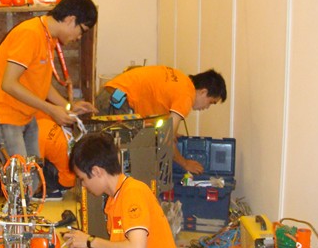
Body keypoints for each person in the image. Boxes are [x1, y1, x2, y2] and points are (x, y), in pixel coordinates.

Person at [63, 132, 190, 248]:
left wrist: (90, 240)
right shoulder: (114, 200)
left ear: (97, 171)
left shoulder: (133, 193)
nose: (83, 185)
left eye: (82, 179)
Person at [0, 0, 98, 162]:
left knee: (35, 172)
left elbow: (41, 83)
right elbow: (9, 84)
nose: (79, 37)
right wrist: (50, 109)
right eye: (81, 31)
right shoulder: (30, 34)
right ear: (70, 19)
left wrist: (68, 106)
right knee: (20, 175)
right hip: (4, 115)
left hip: (25, 115)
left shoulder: (48, 37)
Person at [96, 65, 227, 174]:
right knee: (121, 162)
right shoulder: (187, 95)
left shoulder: (181, 80)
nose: (206, 107)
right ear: (203, 92)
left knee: (114, 157)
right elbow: (166, 141)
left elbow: (160, 121)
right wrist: (185, 163)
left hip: (111, 95)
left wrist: (169, 132)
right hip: (117, 102)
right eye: (211, 102)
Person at [35, 111, 77, 201]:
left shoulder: (36, 136)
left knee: (35, 161)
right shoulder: (44, 121)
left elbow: (37, 167)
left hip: (65, 181)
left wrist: (33, 190)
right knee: (50, 153)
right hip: (74, 176)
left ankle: (52, 190)